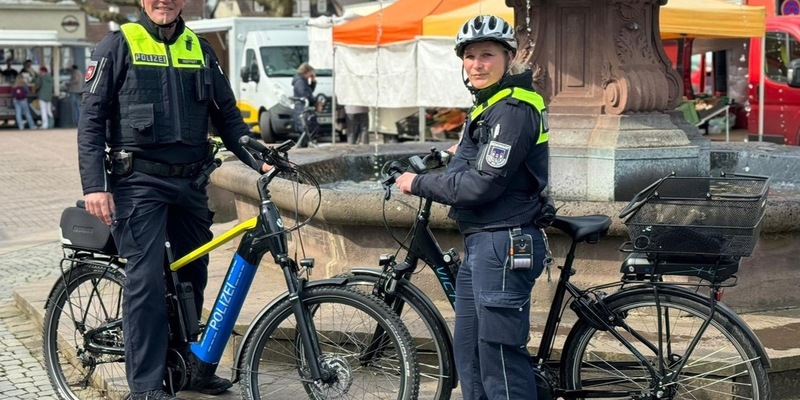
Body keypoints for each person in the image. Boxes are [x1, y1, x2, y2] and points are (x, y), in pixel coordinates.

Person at [78, 0, 272, 398]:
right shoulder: (118, 45)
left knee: (193, 274)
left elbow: (227, 116)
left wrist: (261, 159)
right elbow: (91, 119)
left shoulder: (199, 48)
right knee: (147, 280)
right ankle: (147, 386)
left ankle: (188, 368)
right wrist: (95, 185)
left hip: (190, 182)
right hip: (138, 183)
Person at [395, 15, 550, 400]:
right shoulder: (490, 105)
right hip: (482, 243)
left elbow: (483, 184)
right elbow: (478, 153)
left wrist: (417, 183)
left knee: (500, 363)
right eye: (470, 56)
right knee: (471, 356)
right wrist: (450, 155)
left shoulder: (513, 109)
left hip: (503, 242)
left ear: (508, 57)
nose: (477, 64)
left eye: (487, 55)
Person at [292, 62, 319, 147]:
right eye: (311, 72)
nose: (312, 74)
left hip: (302, 107)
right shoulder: (300, 82)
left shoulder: (303, 81)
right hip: (302, 108)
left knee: (307, 128)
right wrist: (315, 100)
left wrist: (313, 82)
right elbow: (305, 95)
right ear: (306, 72)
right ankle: (304, 145)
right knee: (308, 126)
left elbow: (309, 91)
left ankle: (305, 144)